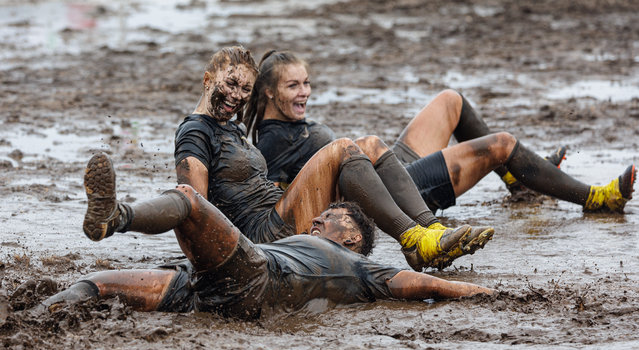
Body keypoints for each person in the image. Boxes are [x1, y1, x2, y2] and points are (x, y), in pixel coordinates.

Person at [87, 45, 494, 271]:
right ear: (208, 80)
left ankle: (427, 231)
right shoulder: (197, 131)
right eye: (231, 83)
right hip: (263, 237)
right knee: (345, 147)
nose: (237, 95)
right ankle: (416, 239)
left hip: (277, 217)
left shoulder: (230, 129)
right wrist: (216, 261)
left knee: (368, 144)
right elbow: (192, 205)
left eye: (245, 89)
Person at [42, 153, 493, 319]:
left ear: (353, 236)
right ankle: (33, 319)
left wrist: (482, 293)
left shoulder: (361, 267)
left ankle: (115, 218)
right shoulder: (308, 242)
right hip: (203, 288)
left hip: (255, 278)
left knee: (187, 199)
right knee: (97, 284)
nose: (316, 221)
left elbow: (421, 284)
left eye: (330, 218)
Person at [245, 50, 636, 214]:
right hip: (397, 193)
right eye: (294, 86)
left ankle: (519, 181)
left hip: (388, 165)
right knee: (502, 144)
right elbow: (285, 204)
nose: (305, 92)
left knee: (451, 101)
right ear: (268, 92)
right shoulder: (273, 142)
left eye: (307, 83)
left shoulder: (288, 125)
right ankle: (598, 198)